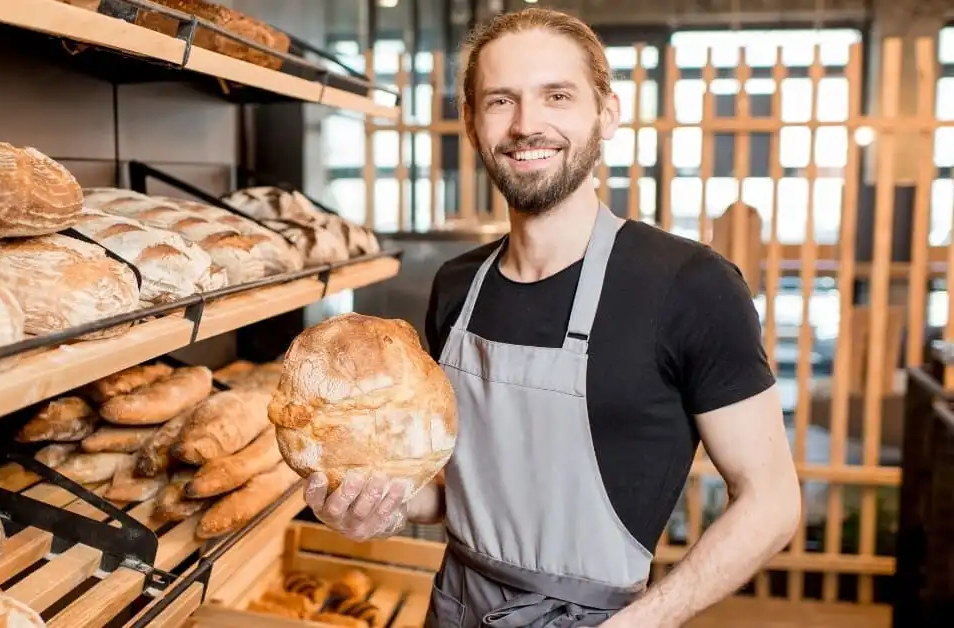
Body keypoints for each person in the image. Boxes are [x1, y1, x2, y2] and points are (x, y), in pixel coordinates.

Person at [303, 8, 801, 628]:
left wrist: (648, 619)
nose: (526, 125)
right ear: (472, 122)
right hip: (453, 609)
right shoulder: (457, 287)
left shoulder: (690, 286)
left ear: (607, 114)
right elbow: (459, 490)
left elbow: (772, 499)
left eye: (557, 96)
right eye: (500, 100)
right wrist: (382, 505)